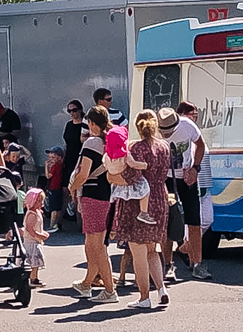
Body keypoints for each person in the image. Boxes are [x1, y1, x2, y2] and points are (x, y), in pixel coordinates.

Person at [110, 110, 171, 308]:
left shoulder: (134, 148)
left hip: (137, 203)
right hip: (159, 198)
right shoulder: (164, 147)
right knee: (152, 249)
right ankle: (161, 289)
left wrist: (110, 178)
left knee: (138, 253)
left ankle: (145, 297)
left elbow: (130, 177)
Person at [68, 106, 118, 304]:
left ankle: (109, 289)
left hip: (92, 195)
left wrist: (72, 187)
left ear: (92, 123)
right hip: (105, 194)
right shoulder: (108, 142)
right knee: (93, 243)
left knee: (96, 246)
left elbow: (83, 172)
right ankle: (87, 283)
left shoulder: (92, 143)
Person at [157, 107, 211, 280]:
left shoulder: (187, 125)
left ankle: (198, 264)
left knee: (194, 221)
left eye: (168, 131)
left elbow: (200, 144)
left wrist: (195, 168)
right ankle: (167, 264)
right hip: (165, 179)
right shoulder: (155, 130)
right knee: (168, 221)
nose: (165, 135)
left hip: (186, 177)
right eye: (162, 131)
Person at [177, 102, 214, 255]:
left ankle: (186, 246)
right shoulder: (185, 139)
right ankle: (192, 254)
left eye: (196, 114)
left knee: (208, 220)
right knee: (193, 221)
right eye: (191, 114)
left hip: (205, 183)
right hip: (193, 184)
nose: (194, 117)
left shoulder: (196, 135)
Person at [104, 125, 156, 224]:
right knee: (145, 188)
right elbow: (133, 164)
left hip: (115, 183)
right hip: (126, 177)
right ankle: (143, 212)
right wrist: (144, 165)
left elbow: (105, 165)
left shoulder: (107, 155)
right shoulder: (124, 154)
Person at [62, 100, 89, 218]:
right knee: (65, 188)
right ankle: (60, 218)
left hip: (80, 157)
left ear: (80, 110)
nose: (72, 113)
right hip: (69, 157)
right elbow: (66, 142)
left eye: (74, 110)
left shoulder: (84, 124)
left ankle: (79, 220)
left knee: (78, 189)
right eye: (69, 111)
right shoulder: (69, 124)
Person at [21, 187, 49, 287]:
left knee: (36, 262)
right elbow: (30, 229)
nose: (41, 203)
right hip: (31, 242)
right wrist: (40, 235)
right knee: (33, 262)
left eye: (42, 201)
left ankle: (35, 277)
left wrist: (42, 232)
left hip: (36, 241)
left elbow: (37, 227)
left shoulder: (37, 212)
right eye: (39, 201)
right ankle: (32, 279)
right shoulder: (31, 214)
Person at [44, 146, 65, 231]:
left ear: (59, 158)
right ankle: (58, 224)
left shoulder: (55, 166)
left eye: (53, 157)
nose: (50, 159)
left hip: (54, 188)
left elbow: (48, 176)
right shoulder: (60, 165)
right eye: (49, 157)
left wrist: (46, 166)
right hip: (58, 188)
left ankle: (52, 225)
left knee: (53, 208)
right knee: (58, 207)